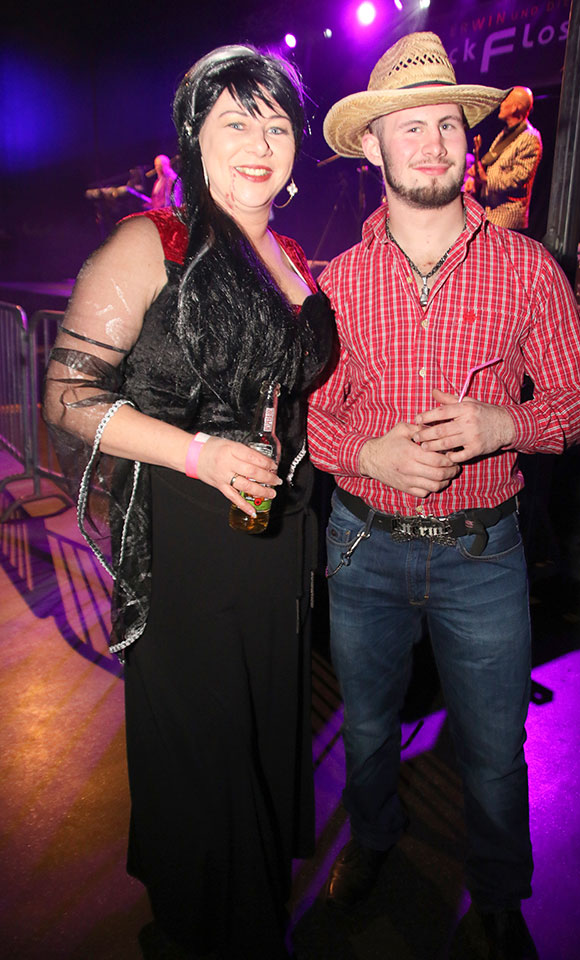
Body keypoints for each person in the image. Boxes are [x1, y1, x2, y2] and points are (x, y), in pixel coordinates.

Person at [307, 32, 580, 960]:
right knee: (366, 729)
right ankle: (375, 841)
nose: (433, 143)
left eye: (447, 124)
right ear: (373, 147)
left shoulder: (528, 269)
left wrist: (503, 424)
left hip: (485, 553)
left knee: (495, 747)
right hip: (363, 548)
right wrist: (369, 453)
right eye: (410, 126)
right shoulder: (337, 284)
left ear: (467, 140)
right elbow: (309, 420)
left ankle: (501, 897)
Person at [44, 44, 334, 960]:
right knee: (205, 748)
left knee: (259, 734)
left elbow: (290, 395)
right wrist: (199, 453)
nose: (259, 144)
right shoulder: (151, 242)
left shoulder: (292, 256)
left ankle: (248, 918)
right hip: (185, 537)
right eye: (235, 122)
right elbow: (68, 397)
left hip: (276, 537)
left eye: (276, 125)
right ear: (194, 137)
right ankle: (204, 931)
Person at [464, 85, 542, 231]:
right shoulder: (505, 134)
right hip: (491, 212)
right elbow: (492, 164)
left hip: (507, 217)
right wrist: (475, 179)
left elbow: (518, 178)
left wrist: (486, 179)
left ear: (516, 108)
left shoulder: (530, 139)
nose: (501, 104)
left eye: (506, 101)